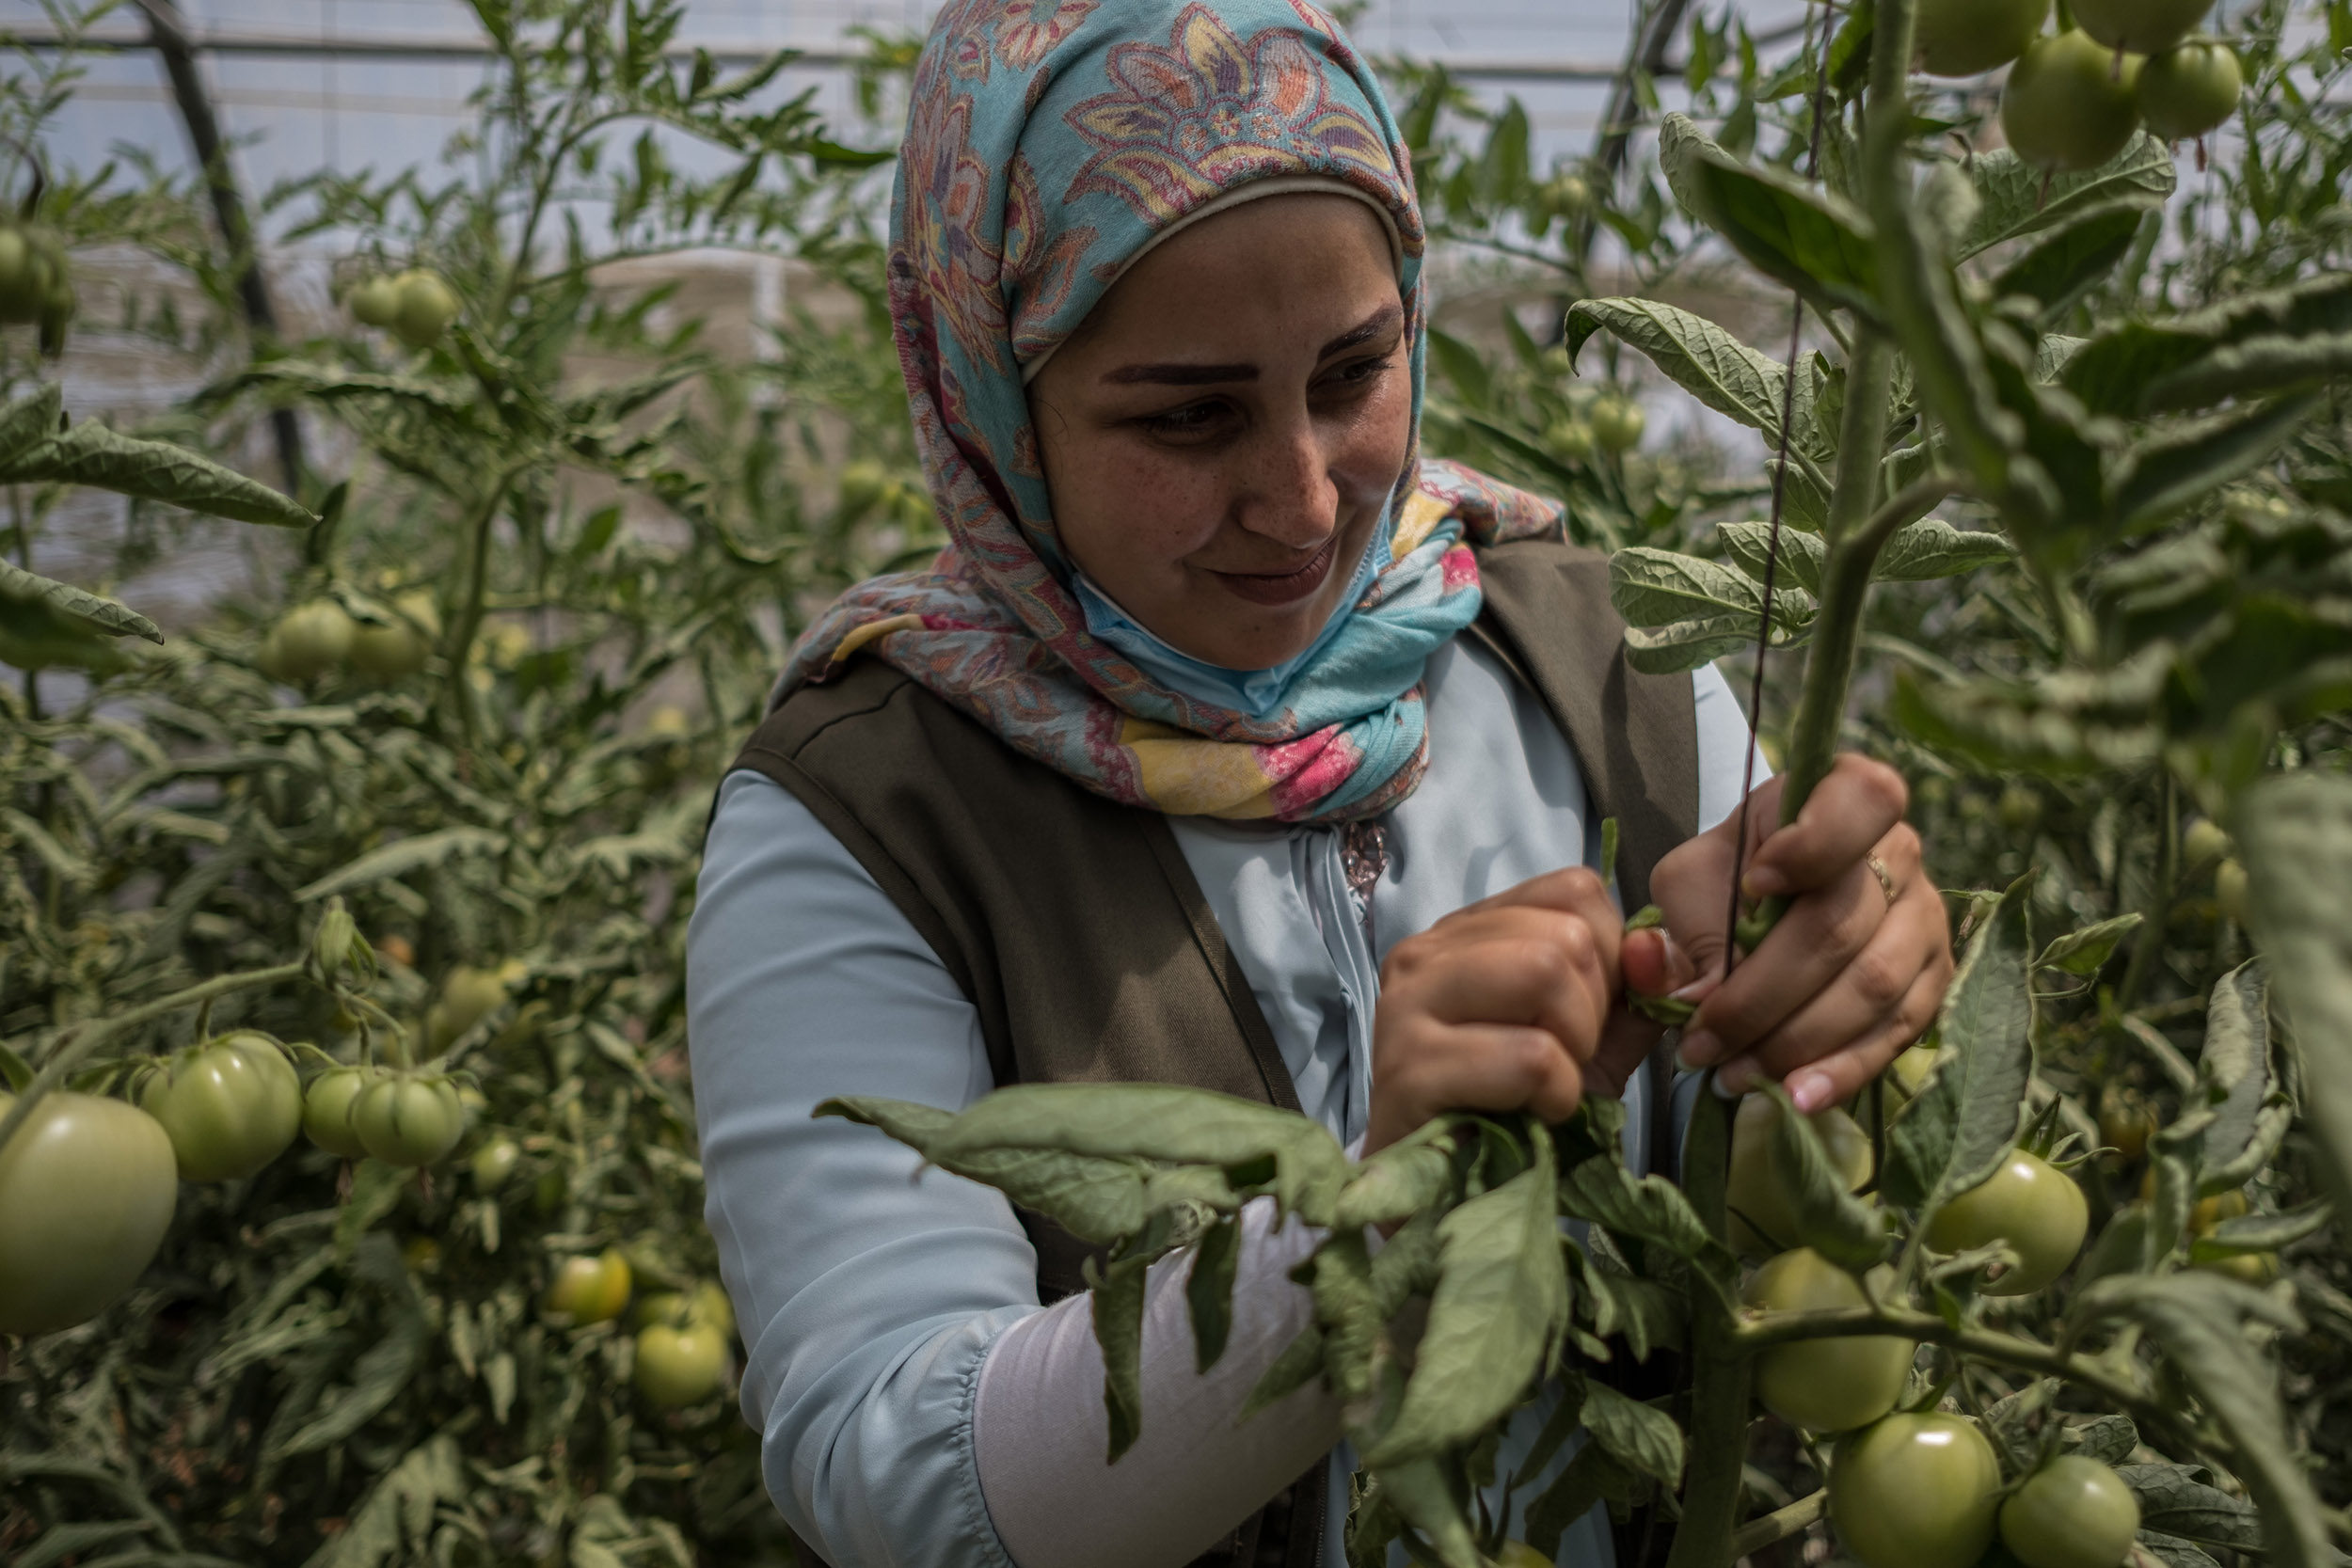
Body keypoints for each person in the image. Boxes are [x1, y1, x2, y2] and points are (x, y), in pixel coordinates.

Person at [686, 3, 1953, 1564]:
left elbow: (1793, 1199)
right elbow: (901, 1476)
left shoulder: (1617, 654)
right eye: (1187, 413)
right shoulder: (867, 814)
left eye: (1356, 370)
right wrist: (1361, 1227)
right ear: (997, 403)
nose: (1300, 497)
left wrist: (1844, 983)